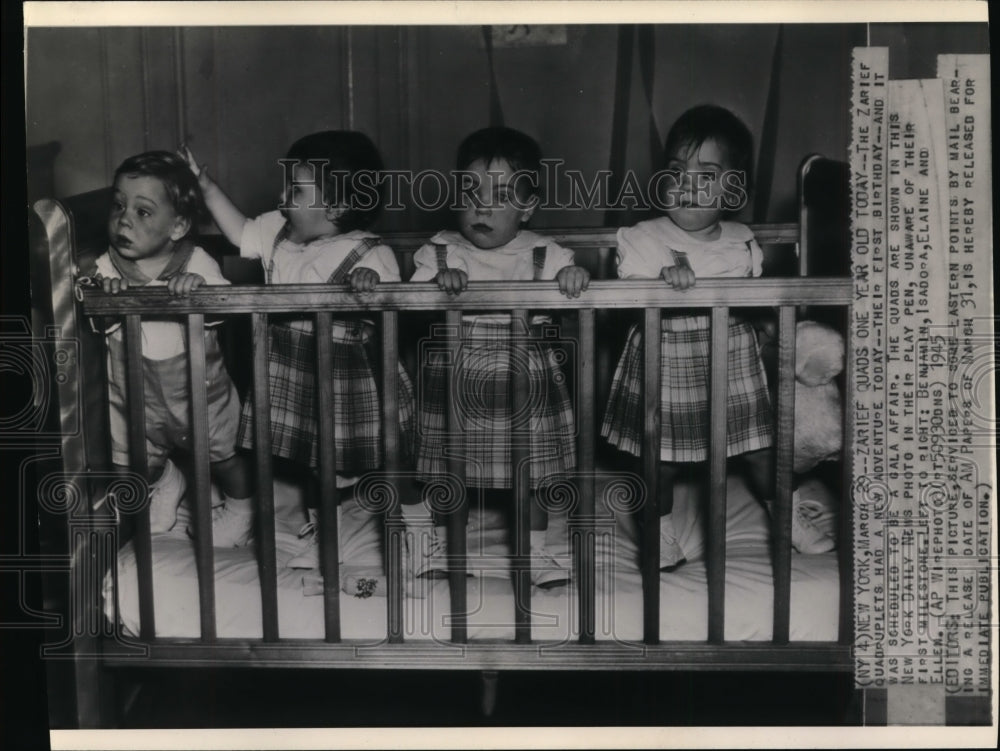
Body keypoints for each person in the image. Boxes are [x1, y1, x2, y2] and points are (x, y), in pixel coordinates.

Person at [181, 132, 428, 579]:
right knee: (320, 467)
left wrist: (373, 283)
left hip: (353, 381)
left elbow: (394, 305)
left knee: (391, 461)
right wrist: (207, 187)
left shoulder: (371, 253)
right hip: (297, 374)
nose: (282, 197)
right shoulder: (278, 234)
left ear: (333, 208)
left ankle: (415, 527)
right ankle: (324, 535)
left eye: (295, 190)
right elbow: (237, 231)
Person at [600, 104, 835, 569]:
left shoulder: (743, 240)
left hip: (732, 363)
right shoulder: (640, 238)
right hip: (664, 362)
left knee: (763, 451)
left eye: (706, 175)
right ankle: (657, 531)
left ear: (734, 190)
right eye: (676, 171)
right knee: (659, 460)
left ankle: (786, 517)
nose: (686, 185)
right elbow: (621, 298)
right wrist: (659, 279)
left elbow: (753, 298)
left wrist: (768, 321)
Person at [409, 126, 591, 587]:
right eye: (470, 190)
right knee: (451, 472)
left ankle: (535, 553)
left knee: (530, 473)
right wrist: (434, 290)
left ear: (528, 206)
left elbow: (573, 280)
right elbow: (407, 303)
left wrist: (574, 277)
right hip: (455, 376)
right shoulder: (439, 253)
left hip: (523, 380)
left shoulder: (546, 254)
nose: (481, 205)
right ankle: (450, 547)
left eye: (502, 194)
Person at [97, 150, 254, 547]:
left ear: (178, 225)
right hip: (135, 397)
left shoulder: (196, 261)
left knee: (226, 458)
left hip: (200, 394)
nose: (124, 218)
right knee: (129, 468)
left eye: (143, 211)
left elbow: (228, 307)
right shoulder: (105, 267)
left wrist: (200, 291)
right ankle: (168, 479)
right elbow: (95, 317)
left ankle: (242, 509)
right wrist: (105, 297)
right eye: (118, 205)